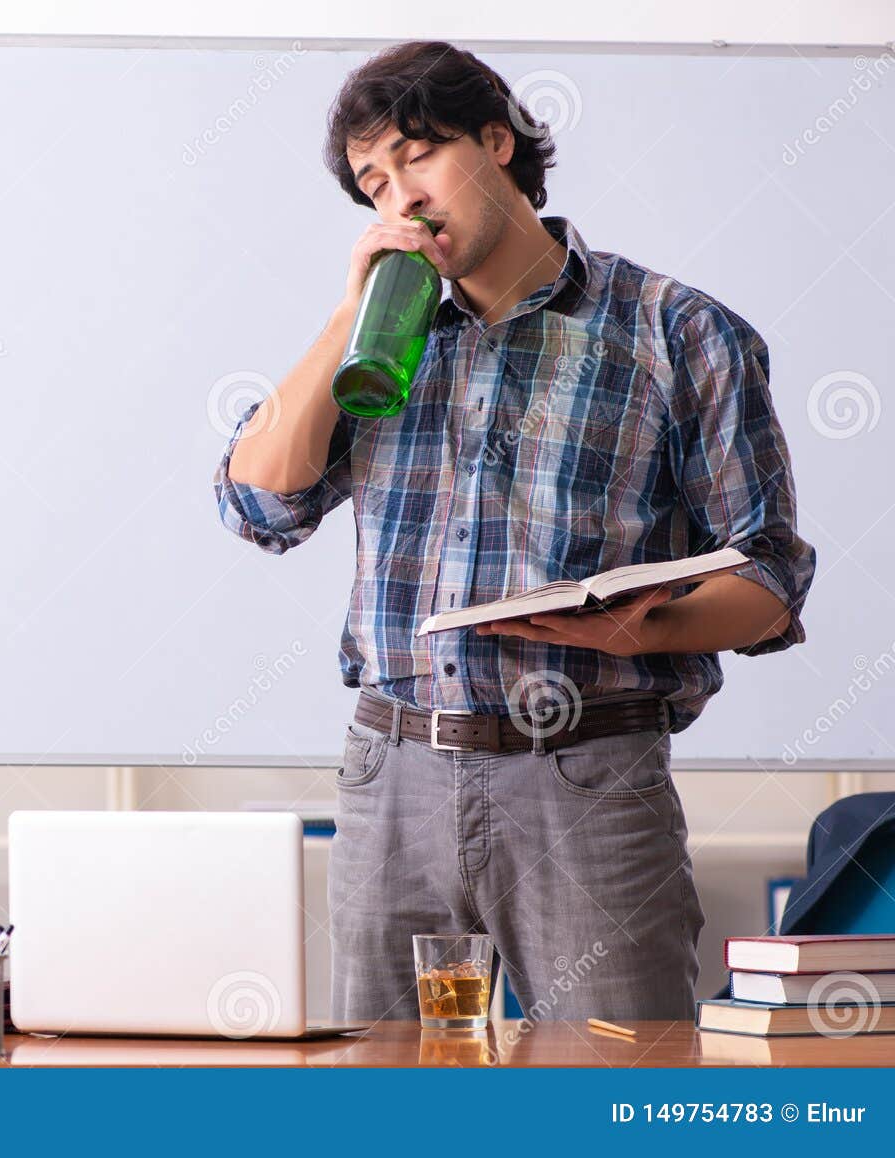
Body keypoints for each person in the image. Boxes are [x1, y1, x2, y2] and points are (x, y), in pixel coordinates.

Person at [212, 40, 816, 1022]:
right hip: (390, 777)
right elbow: (257, 504)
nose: (399, 197)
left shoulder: (675, 331)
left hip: (586, 778)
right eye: (372, 182)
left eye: (416, 156)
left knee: (619, 1092)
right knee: (383, 1107)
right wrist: (348, 313)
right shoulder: (378, 344)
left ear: (497, 143)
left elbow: (770, 580)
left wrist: (645, 629)